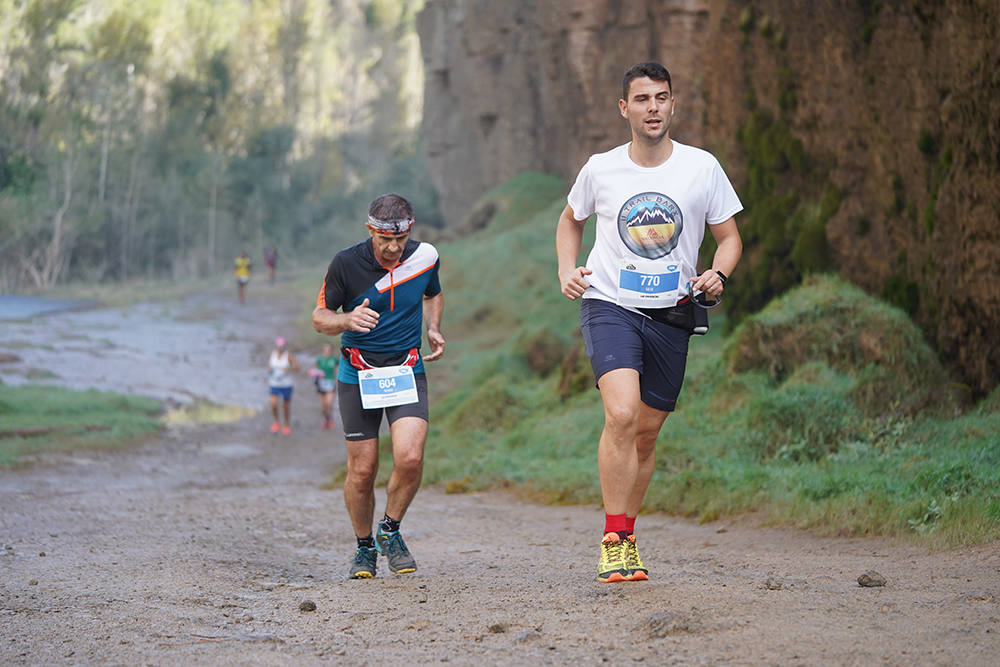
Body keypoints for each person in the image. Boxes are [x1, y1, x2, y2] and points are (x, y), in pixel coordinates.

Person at [555, 62, 743, 583]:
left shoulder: (702, 168)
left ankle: (629, 534)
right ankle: (613, 540)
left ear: (672, 105)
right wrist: (568, 270)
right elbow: (570, 221)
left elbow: (729, 238)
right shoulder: (602, 168)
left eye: (661, 98)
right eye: (642, 99)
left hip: (673, 314)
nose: (653, 107)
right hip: (609, 302)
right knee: (620, 414)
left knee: (646, 433)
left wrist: (717, 275)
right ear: (624, 108)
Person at [312, 193, 445, 579]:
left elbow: (433, 293)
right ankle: (364, 548)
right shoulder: (346, 263)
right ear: (370, 230)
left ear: (409, 233)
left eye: (400, 241)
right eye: (384, 240)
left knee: (409, 458)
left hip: (406, 369)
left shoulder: (425, 257)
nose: (392, 248)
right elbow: (320, 317)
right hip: (358, 374)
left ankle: (389, 531)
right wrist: (347, 320)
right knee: (363, 469)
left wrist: (433, 327)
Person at [268, 336, 300, 435]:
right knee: (273, 403)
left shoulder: (288, 356)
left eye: (282, 346)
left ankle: (286, 424)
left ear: (284, 346)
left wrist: (289, 369)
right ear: (276, 346)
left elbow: (297, 368)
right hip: (274, 383)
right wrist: (269, 370)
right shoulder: (272, 354)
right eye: (278, 346)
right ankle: (276, 422)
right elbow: (269, 367)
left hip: (286, 384)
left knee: (285, 406)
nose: (280, 347)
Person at [311, 343, 339, 430]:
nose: (327, 351)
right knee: (323, 407)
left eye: (329, 350)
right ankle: (327, 419)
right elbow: (315, 369)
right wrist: (316, 374)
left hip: (330, 383)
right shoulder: (319, 359)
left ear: (331, 350)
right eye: (325, 350)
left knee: (329, 403)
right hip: (321, 383)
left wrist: (337, 378)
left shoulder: (334, 359)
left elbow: (339, 368)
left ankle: (330, 419)